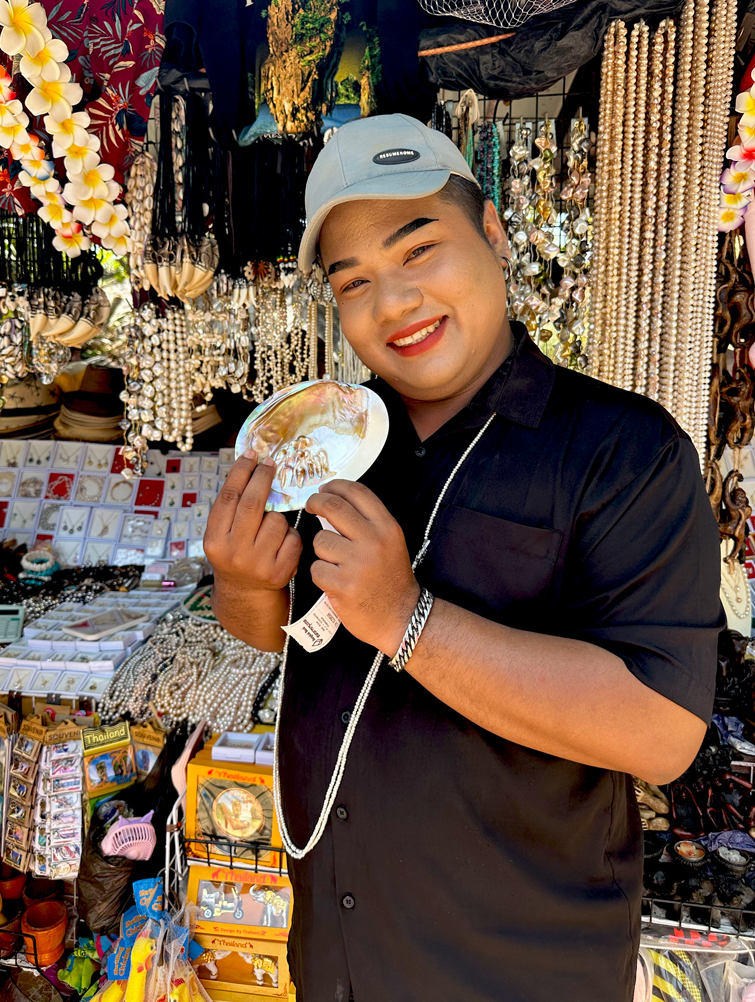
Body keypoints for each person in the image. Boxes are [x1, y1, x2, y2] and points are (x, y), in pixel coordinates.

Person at [204, 114, 723, 1002]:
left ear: (492, 233)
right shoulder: (330, 441)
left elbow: (663, 732)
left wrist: (409, 621)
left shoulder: (624, 452)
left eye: (418, 251)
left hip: (515, 966)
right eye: (355, 281)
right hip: (335, 958)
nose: (394, 302)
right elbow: (275, 634)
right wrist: (242, 582)